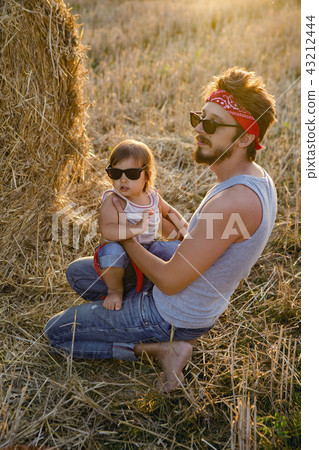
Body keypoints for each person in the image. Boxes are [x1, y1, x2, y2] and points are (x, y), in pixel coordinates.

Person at [45, 66, 277, 393]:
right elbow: (199, 239)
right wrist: (173, 225)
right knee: (80, 274)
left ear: (246, 137)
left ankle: (159, 348)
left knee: (57, 333)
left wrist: (126, 236)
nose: (199, 130)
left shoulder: (234, 201)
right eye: (199, 118)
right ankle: (129, 307)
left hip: (173, 313)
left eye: (211, 125)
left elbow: (169, 281)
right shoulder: (254, 177)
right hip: (192, 290)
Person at [94, 139, 188, 311]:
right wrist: (135, 228)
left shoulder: (152, 196)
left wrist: (185, 229)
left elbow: (169, 212)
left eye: (131, 174)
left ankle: (151, 285)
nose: (123, 179)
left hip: (146, 250)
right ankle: (115, 290)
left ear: (147, 175)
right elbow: (107, 230)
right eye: (115, 173)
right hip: (121, 252)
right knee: (110, 253)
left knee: (173, 250)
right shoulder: (114, 200)